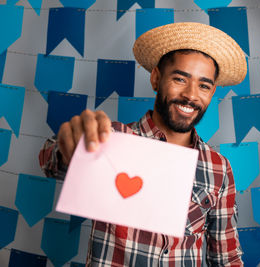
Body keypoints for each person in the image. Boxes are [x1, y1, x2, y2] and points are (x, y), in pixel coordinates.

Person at [39, 22, 247, 266]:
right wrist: (70, 148)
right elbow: (50, 160)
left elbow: (226, 257)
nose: (191, 95)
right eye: (180, 79)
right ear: (156, 78)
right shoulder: (111, 138)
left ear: (212, 93)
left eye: (204, 85)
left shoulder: (219, 167)